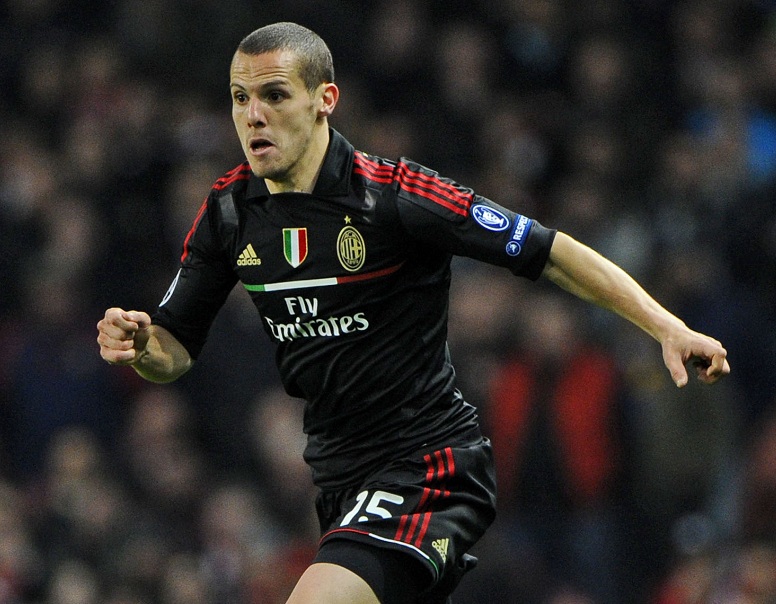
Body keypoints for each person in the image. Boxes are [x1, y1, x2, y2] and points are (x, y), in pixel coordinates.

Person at [96, 22, 730, 604]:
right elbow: (174, 351)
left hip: (431, 470)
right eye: (240, 98)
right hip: (339, 484)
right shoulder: (230, 212)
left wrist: (665, 326)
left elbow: (549, 251)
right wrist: (142, 346)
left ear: (324, 100)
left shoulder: (394, 196)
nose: (253, 115)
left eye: (275, 95)